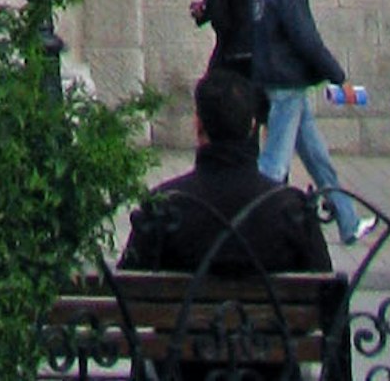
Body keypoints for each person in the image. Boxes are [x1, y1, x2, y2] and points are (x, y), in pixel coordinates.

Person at [126, 74, 341, 295]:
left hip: (184, 327)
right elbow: (327, 296)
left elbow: (127, 289)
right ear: (252, 126)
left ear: (198, 125)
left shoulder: (166, 204)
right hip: (270, 328)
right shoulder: (291, 208)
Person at [248, 0, 366, 244]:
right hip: (289, 83)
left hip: (272, 80)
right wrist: (338, 77)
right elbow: (306, 39)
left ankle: (348, 220)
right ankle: (256, 228)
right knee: (275, 163)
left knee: (317, 157)